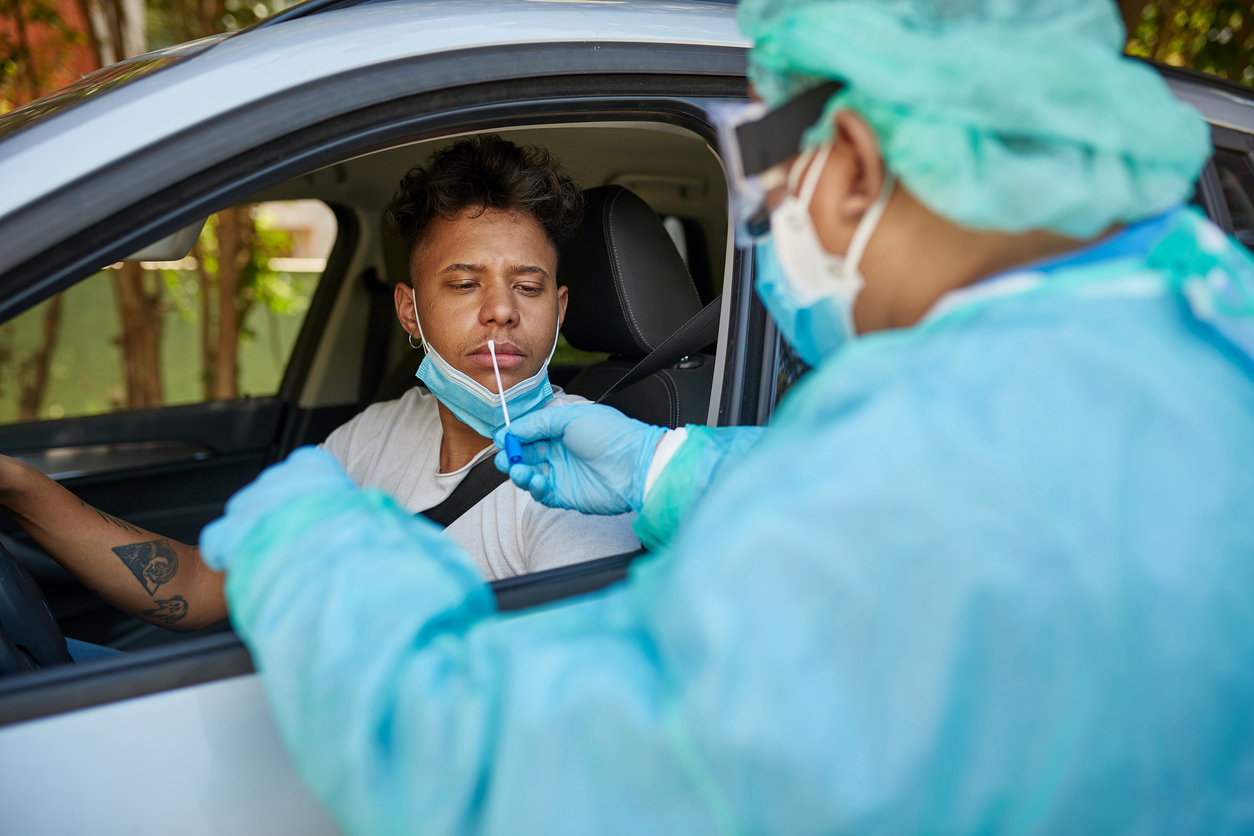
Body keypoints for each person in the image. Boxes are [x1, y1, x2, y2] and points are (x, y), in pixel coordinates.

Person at [198, 1, 1254, 833]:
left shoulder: (936, 458)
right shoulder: (1198, 321)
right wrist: (669, 468)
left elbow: (536, 780)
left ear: (849, 163)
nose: (762, 229)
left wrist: (313, 545)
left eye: (759, 179)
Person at [0, 135, 638, 647]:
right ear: (410, 312)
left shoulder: (581, 478)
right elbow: (197, 587)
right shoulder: (376, 436)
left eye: (527, 287)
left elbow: (567, 717)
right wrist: (21, 488)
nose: (501, 309)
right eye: (465, 283)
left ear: (557, 308)